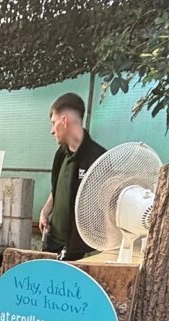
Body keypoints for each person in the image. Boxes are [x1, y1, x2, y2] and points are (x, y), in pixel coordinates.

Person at [39, 92, 106, 260]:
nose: (51, 130)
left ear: (64, 120)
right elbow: (58, 187)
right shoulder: (61, 154)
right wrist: (45, 210)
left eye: (53, 123)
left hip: (78, 250)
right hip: (54, 242)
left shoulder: (98, 159)